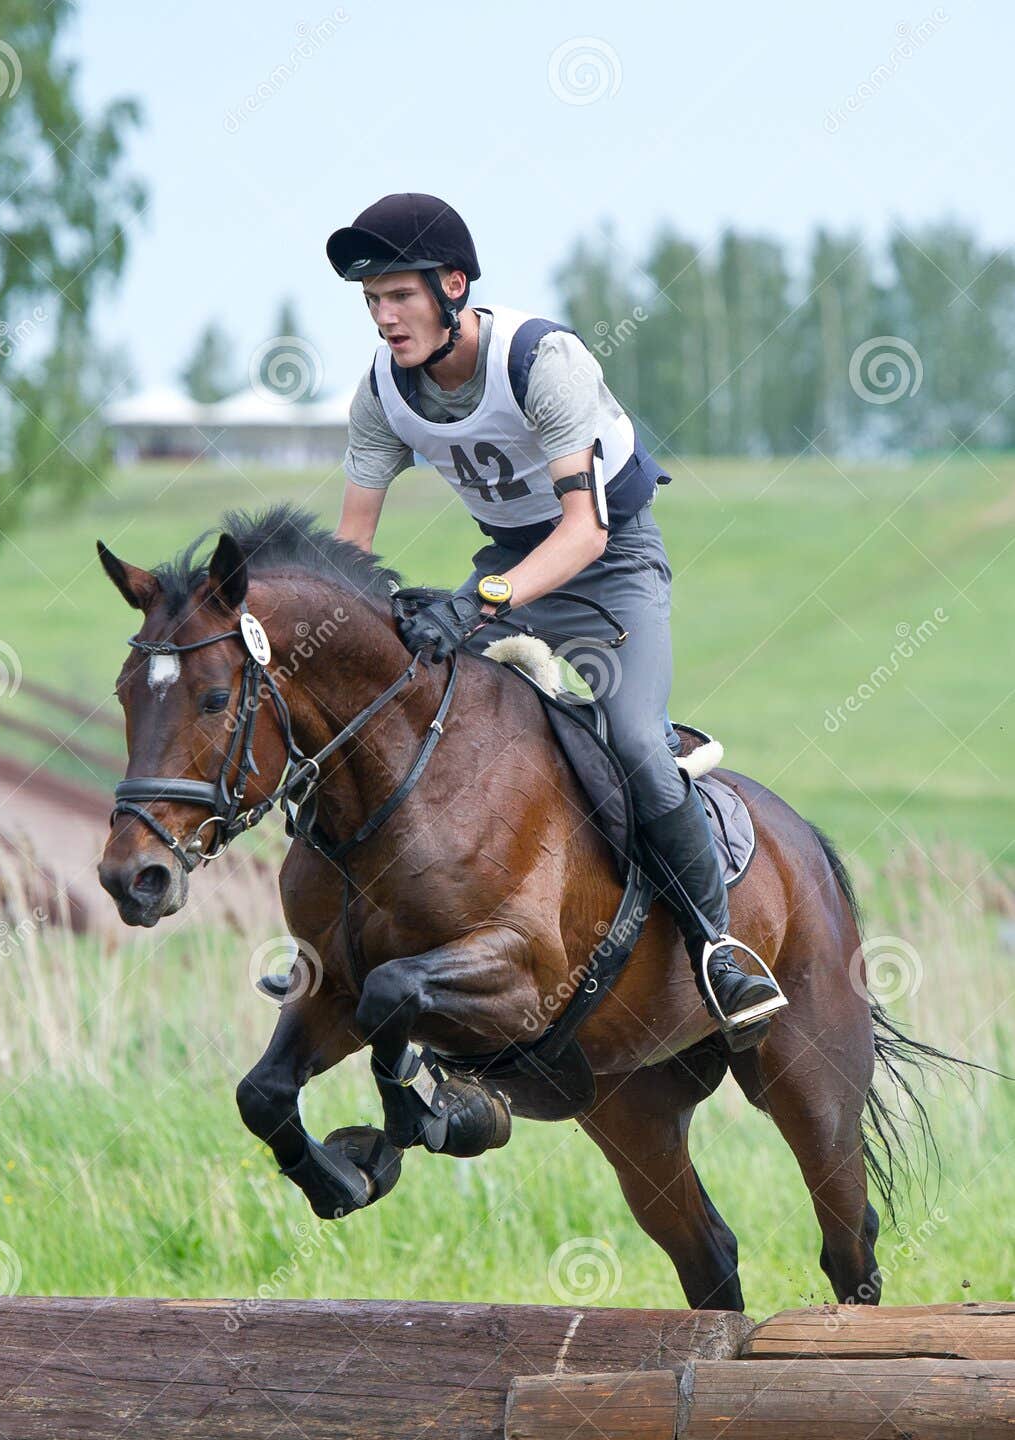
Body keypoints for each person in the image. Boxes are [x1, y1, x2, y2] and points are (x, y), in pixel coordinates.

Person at [267, 191, 784, 1044]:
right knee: (378, 713)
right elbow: (347, 557)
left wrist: (474, 602)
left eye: (398, 296)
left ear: (453, 286)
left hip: (609, 571)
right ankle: (342, 939)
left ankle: (717, 948)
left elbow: (584, 531)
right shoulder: (382, 394)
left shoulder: (542, 361)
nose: (384, 318)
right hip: (505, 566)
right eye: (371, 302)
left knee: (636, 744)